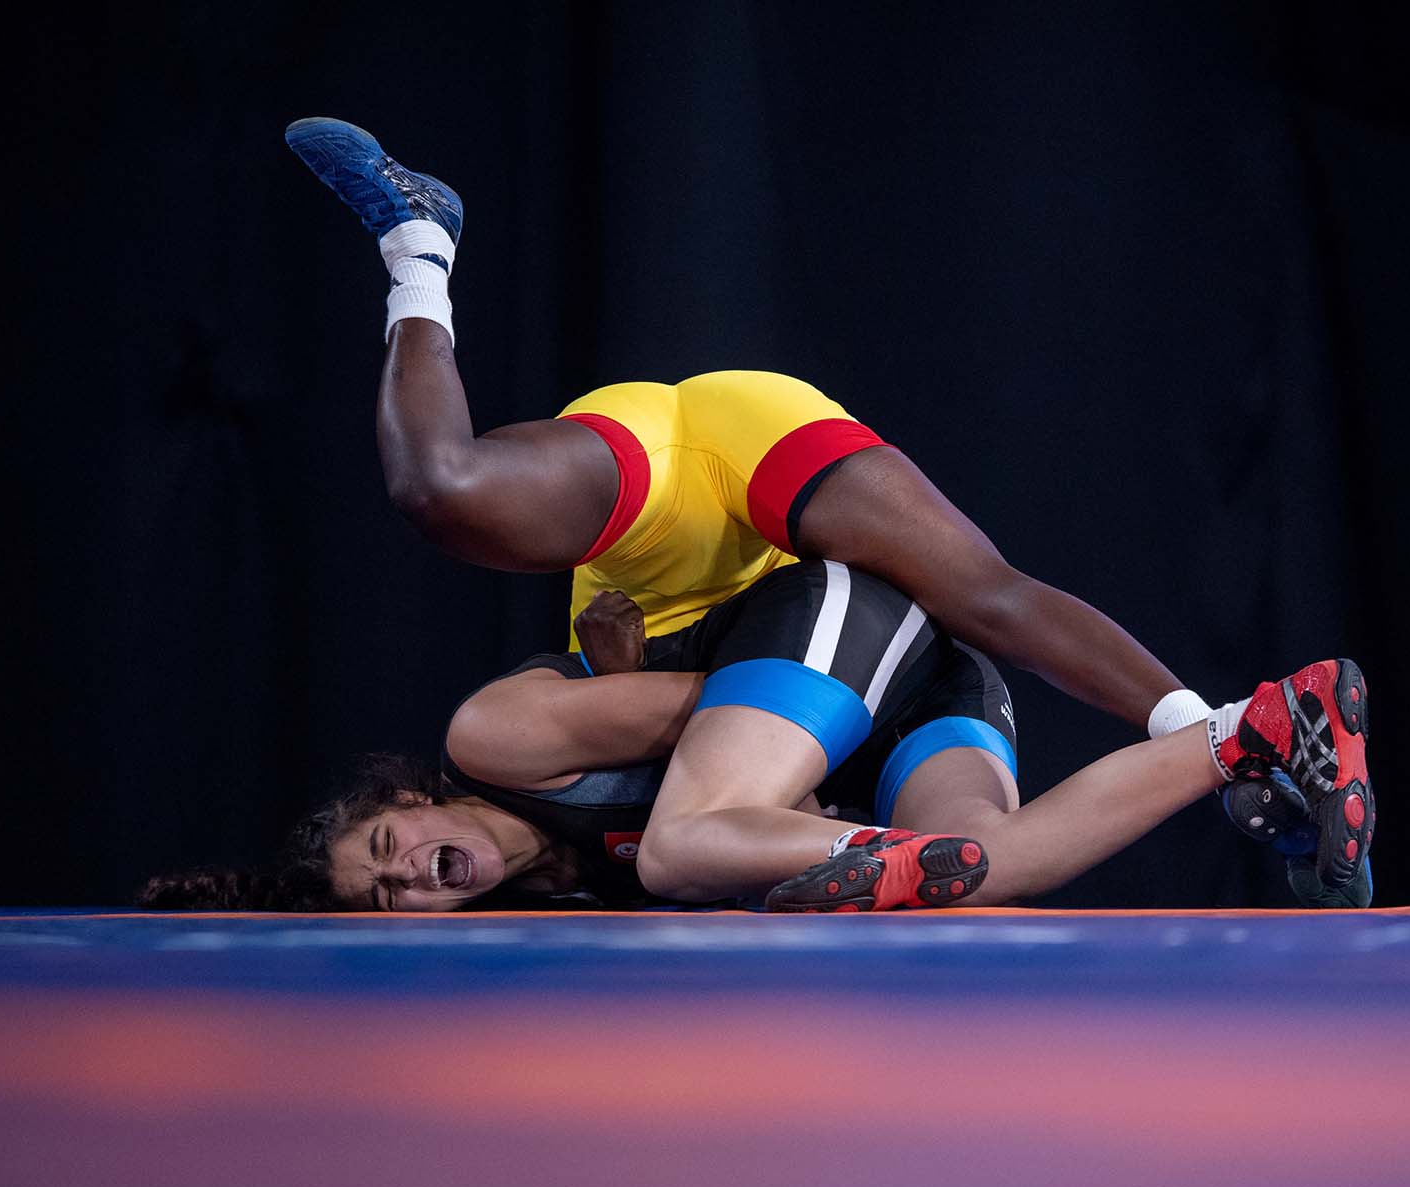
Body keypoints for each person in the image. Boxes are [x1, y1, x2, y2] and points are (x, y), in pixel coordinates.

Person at [281, 118, 1259, 758]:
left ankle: (419, 247)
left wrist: (1213, 744)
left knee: (983, 595)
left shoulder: (520, 738)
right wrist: (617, 680)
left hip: (711, 459)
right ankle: (1217, 742)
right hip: (678, 600)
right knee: (439, 501)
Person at [142, 562, 1373, 914]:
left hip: (852, 624)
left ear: (401, 795)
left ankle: (868, 867)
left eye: (384, 849)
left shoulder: (501, 737)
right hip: (921, 698)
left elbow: (724, 700)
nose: (407, 875)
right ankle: (1265, 725)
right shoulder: (571, 886)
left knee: (683, 848)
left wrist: (772, 807)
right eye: (386, 901)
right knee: (997, 869)